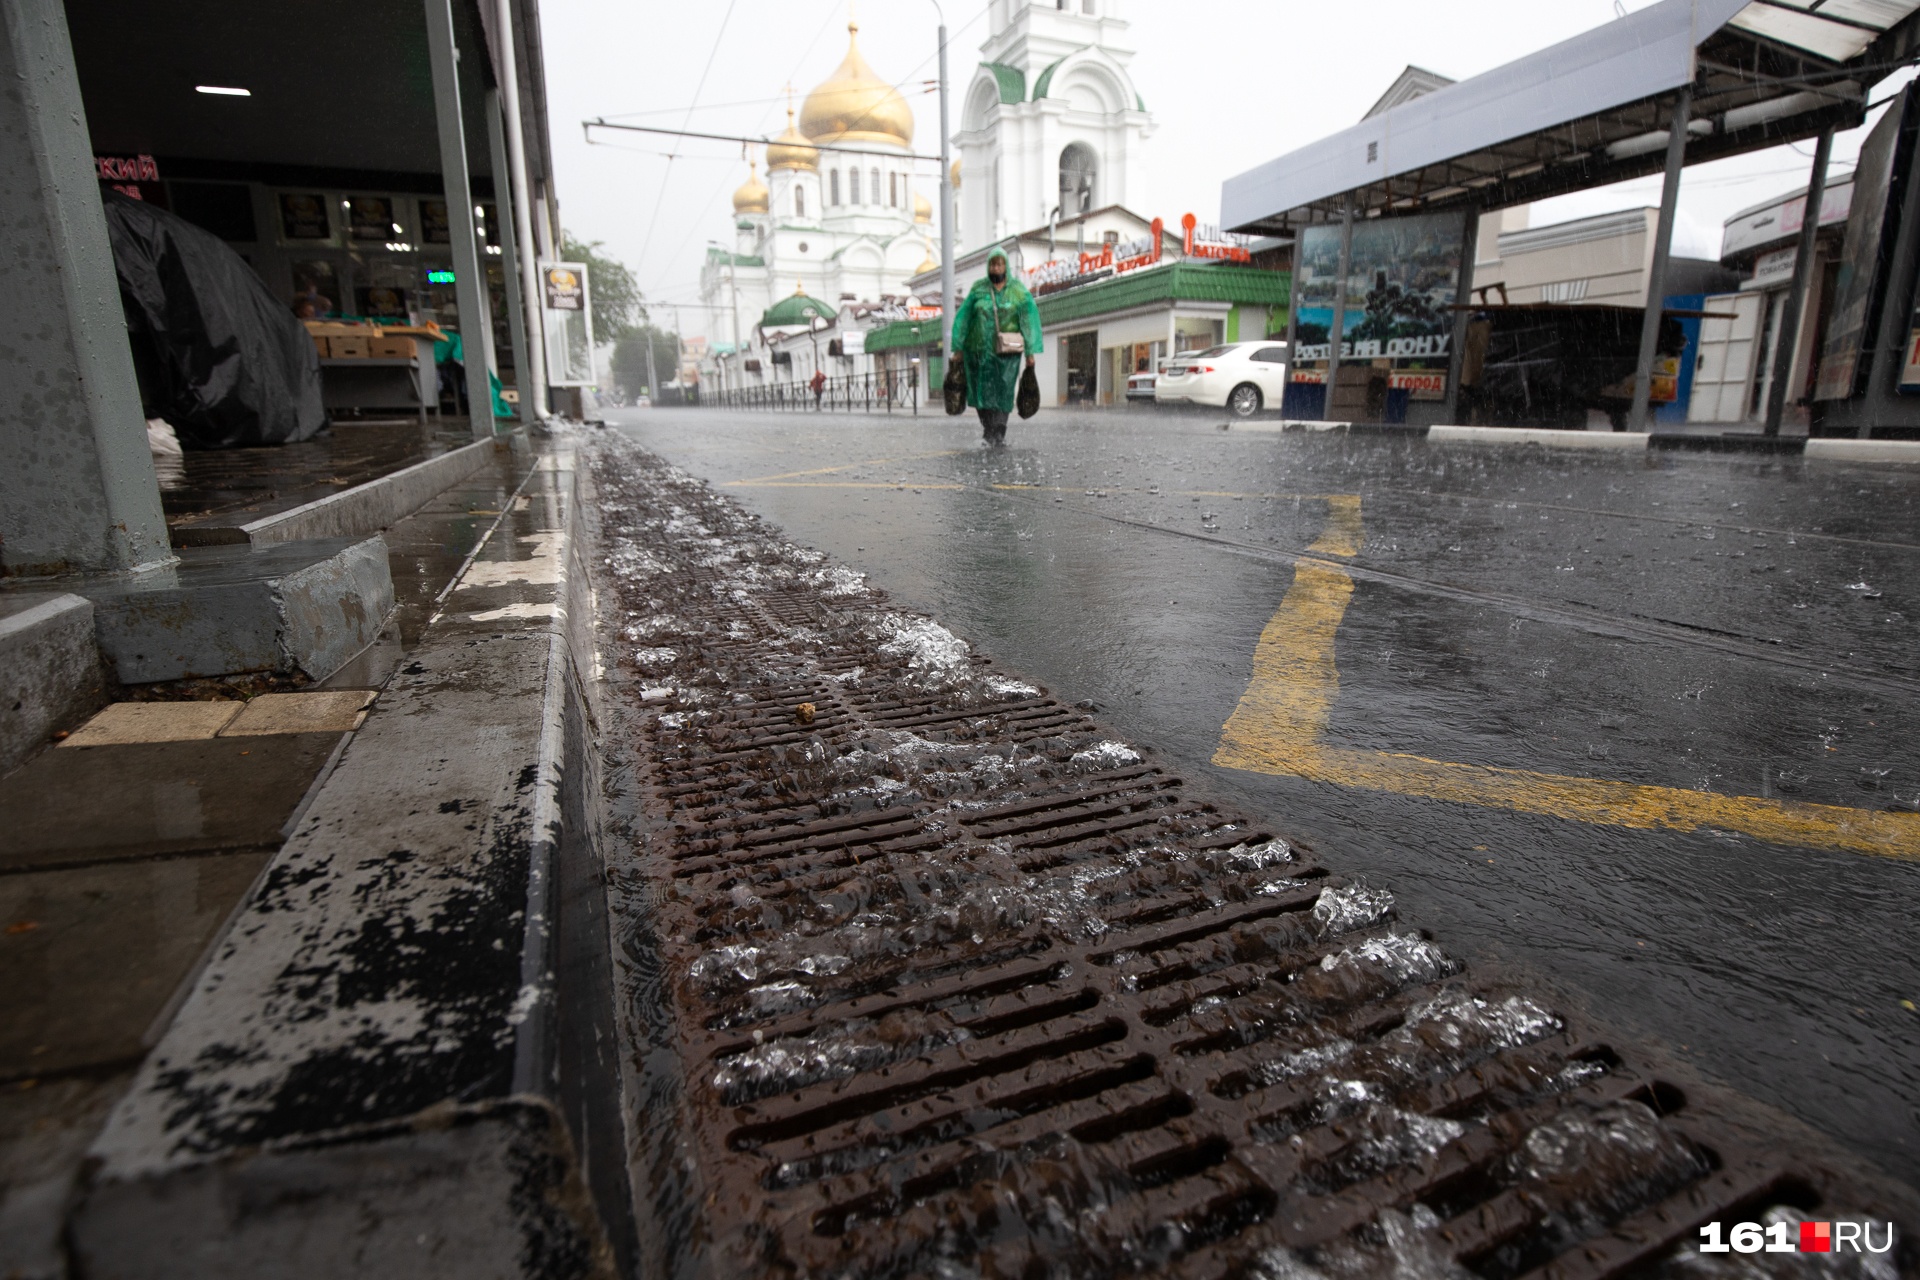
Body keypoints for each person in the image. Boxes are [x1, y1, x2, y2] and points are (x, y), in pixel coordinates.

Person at [951, 249, 1041, 446]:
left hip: (1006, 354)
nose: (996, 268)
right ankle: (988, 427)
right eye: (993, 264)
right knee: (981, 391)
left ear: (1006, 266)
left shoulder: (1017, 290)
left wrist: (1030, 352)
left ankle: (998, 430)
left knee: (1003, 390)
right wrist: (958, 347)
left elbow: (1028, 320)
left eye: (1000, 264)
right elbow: (964, 318)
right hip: (978, 353)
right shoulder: (978, 289)